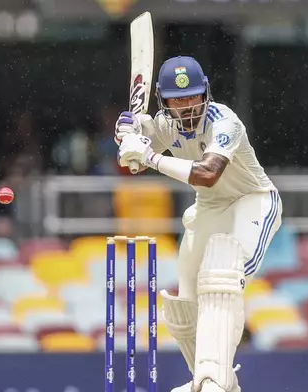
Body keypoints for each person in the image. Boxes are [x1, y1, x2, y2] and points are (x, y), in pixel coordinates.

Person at [114, 56, 282, 392]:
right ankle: (211, 384)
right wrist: (127, 138)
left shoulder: (225, 122)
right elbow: (133, 161)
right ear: (165, 102)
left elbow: (207, 174)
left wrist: (147, 156)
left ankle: (213, 381)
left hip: (252, 201)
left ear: (206, 93)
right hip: (209, 207)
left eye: (193, 96)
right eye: (178, 100)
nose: (188, 106)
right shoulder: (164, 124)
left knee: (221, 276)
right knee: (184, 305)